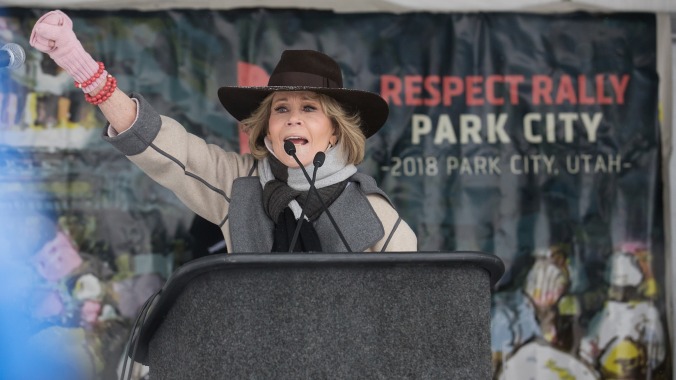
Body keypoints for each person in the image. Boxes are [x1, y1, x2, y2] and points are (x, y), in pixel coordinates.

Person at [30, 10, 417, 253]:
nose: (292, 118)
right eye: (281, 109)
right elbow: (160, 143)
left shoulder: (374, 212)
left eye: (309, 108)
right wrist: (79, 64)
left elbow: (406, 309)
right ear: (267, 129)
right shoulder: (241, 183)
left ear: (334, 132)